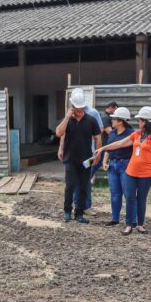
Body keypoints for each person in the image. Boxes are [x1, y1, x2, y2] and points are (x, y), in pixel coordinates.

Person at [94, 106, 151, 235]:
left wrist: (144, 159)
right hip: (131, 171)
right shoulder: (136, 134)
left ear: (146, 121)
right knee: (130, 197)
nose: (139, 123)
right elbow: (120, 143)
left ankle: (140, 224)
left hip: (146, 174)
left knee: (141, 198)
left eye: (141, 120)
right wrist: (103, 149)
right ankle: (128, 225)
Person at [54, 88, 102, 223]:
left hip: (86, 159)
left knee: (82, 186)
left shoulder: (91, 120)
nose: (80, 112)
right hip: (70, 158)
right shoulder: (68, 120)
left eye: (82, 108)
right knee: (70, 185)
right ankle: (67, 211)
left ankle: (79, 213)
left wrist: (97, 154)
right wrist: (67, 117)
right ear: (73, 107)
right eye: (77, 109)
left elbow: (98, 138)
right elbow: (59, 133)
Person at [102, 107, 134, 226]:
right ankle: (115, 219)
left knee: (128, 194)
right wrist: (105, 161)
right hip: (113, 166)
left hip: (126, 165)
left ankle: (132, 220)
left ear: (121, 121)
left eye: (114, 119)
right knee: (115, 193)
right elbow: (108, 148)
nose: (112, 121)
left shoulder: (131, 133)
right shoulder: (113, 133)